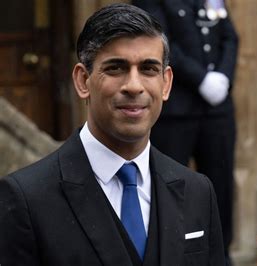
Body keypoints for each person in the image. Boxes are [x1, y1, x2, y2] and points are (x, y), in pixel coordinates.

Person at [0, 3, 225, 265]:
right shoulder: (26, 199)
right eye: (115, 68)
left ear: (166, 84)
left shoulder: (198, 192)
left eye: (148, 69)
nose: (133, 86)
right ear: (83, 81)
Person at [131, 0, 239, 264]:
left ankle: (220, 255)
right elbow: (159, 42)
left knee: (220, 186)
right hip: (176, 111)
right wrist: (201, 79)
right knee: (169, 188)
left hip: (216, 111)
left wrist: (223, 77)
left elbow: (229, 36)